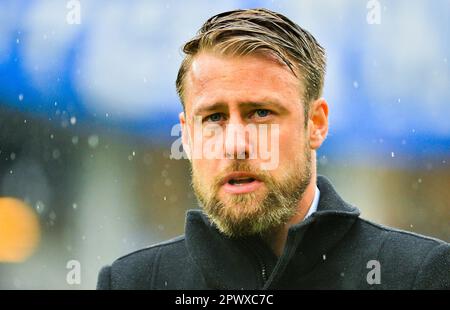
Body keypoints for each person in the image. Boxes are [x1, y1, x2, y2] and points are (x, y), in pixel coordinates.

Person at [97, 8, 449, 289]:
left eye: (261, 113)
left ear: (316, 124)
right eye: (214, 117)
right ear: (186, 136)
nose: (236, 144)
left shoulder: (417, 275)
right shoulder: (133, 282)